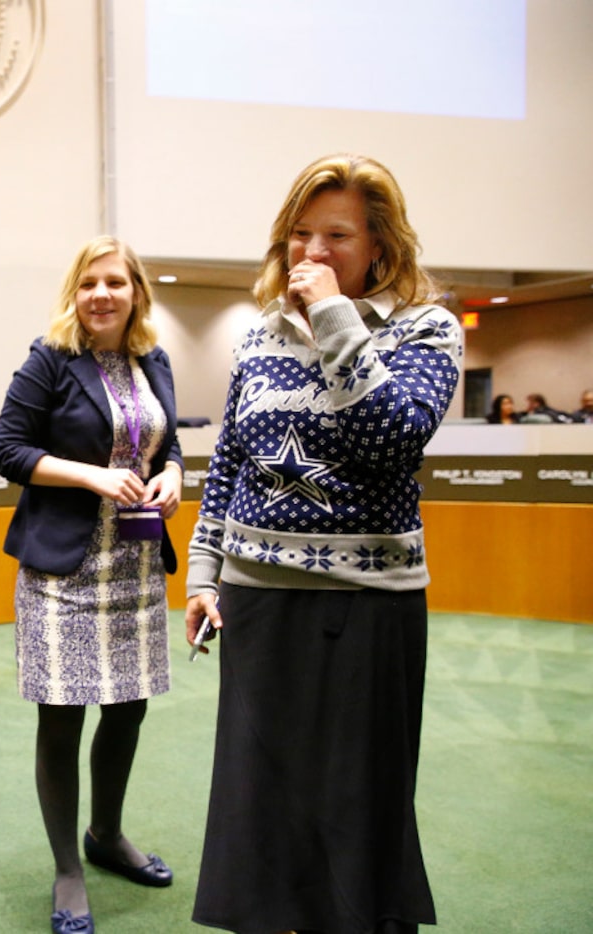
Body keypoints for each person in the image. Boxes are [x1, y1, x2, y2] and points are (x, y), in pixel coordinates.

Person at [184, 153, 462, 934]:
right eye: (300, 234)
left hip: (368, 608)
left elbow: (392, 438)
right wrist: (205, 575)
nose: (312, 253)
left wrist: (336, 318)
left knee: (354, 811)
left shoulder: (425, 329)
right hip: (257, 601)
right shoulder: (258, 338)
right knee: (260, 811)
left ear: (380, 245)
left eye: (337, 235)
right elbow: (231, 464)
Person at [0, 235, 184, 934]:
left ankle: (106, 835)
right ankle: (68, 868)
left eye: (115, 282)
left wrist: (174, 475)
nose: (102, 294)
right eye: (89, 283)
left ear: (136, 292)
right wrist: (92, 474)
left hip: (133, 567)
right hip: (62, 573)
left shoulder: (153, 360)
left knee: (127, 710)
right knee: (63, 718)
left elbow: (172, 442)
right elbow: (7, 449)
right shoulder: (51, 360)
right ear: (75, 293)